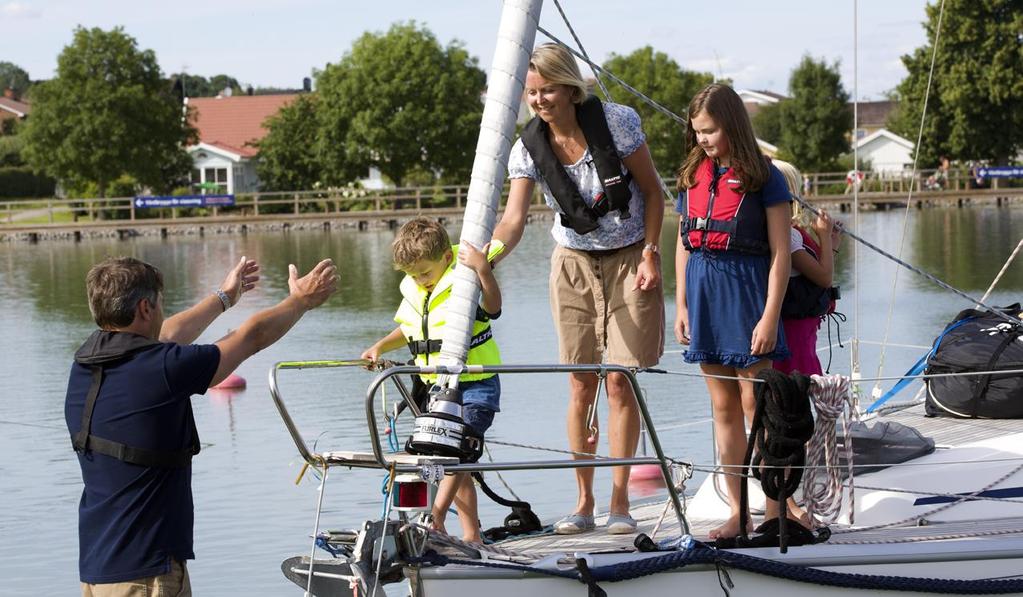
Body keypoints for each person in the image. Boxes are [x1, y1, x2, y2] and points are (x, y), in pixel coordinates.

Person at [65, 255, 338, 595]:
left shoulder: (86, 365)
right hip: (146, 574)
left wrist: (224, 297)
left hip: (97, 570)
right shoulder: (161, 370)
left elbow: (166, 335)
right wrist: (301, 300)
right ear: (146, 308)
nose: (163, 313)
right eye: (161, 304)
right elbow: (252, 336)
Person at [491, 43, 665, 535]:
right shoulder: (528, 146)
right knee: (581, 382)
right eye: (530, 93)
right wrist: (489, 256)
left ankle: (620, 503)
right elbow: (513, 219)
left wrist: (652, 252)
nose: (539, 100)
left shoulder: (617, 121)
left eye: (546, 90)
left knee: (619, 380)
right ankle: (582, 504)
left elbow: (653, 192)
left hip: (631, 256)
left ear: (569, 88)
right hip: (572, 263)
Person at [674, 83, 791, 539]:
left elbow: (781, 254)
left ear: (732, 124)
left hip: (747, 294)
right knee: (722, 408)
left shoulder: (766, 177)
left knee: (757, 406)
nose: (703, 139)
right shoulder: (692, 175)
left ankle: (776, 509)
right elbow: (684, 245)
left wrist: (768, 316)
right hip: (703, 293)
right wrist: (681, 304)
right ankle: (739, 513)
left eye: (711, 130)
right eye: (697, 131)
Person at [361, 217, 503, 543]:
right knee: (442, 459)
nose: (421, 281)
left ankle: (433, 520)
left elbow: (493, 307)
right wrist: (380, 346)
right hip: (435, 390)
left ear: (447, 259)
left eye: (425, 273)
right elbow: (411, 328)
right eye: (413, 275)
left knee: (457, 452)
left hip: (474, 384)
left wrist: (483, 270)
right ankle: (472, 536)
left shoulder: (464, 279)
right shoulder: (415, 288)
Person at [772, 160, 842, 377]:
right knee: (797, 383)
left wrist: (831, 245)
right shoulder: (788, 236)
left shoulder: (786, 232)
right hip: (794, 332)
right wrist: (823, 237)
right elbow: (824, 278)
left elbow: (819, 270)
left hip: (799, 329)